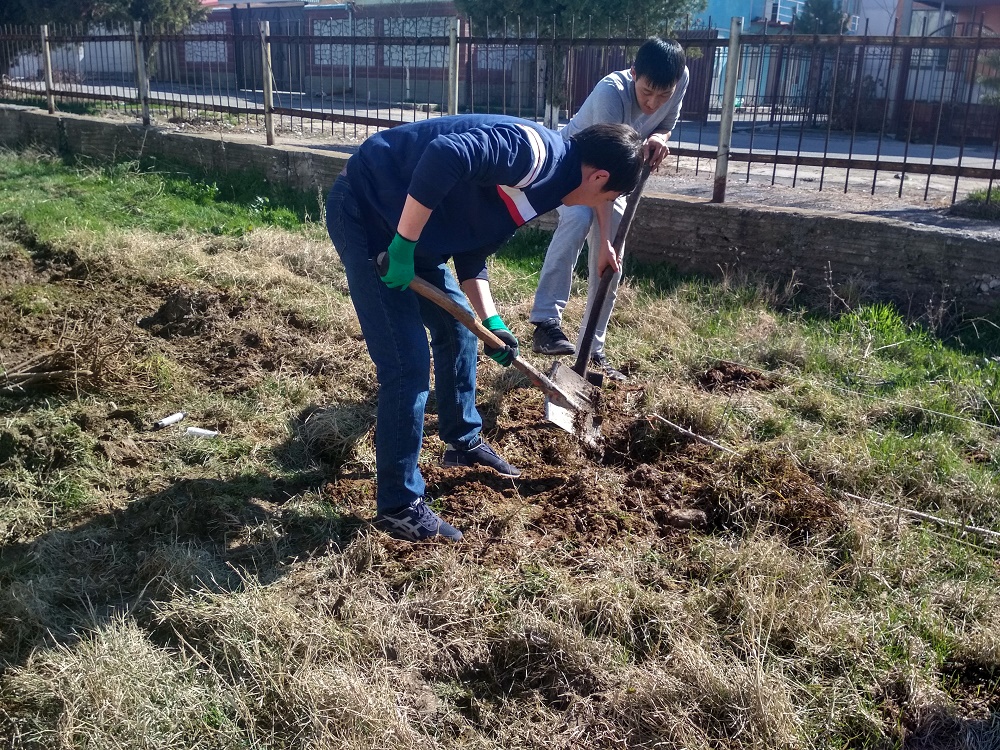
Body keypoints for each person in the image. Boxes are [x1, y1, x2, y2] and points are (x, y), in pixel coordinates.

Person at [326, 114, 643, 542]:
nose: (599, 205)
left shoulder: (550, 189)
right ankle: (398, 506)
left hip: (416, 235)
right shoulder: (535, 154)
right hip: (368, 209)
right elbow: (445, 154)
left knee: (459, 331)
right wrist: (401, 247)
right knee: (406, 364)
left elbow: (472, 251)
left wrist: (491, 321)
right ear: (599, 177)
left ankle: (462, 442)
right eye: (609, 196)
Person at [529, 38, 689, 381]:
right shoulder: (610, 94)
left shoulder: (680, 78)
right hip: (575, 169)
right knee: (579, 218)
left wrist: (660, 137)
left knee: (613, 260)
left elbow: (666, 123)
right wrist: (603, 243)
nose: (653, 103)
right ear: (633, 74)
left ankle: (592, 349)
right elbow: (602, 176)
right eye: (646, 92)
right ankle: (545, 322)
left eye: (663, 95)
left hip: (615, 178)